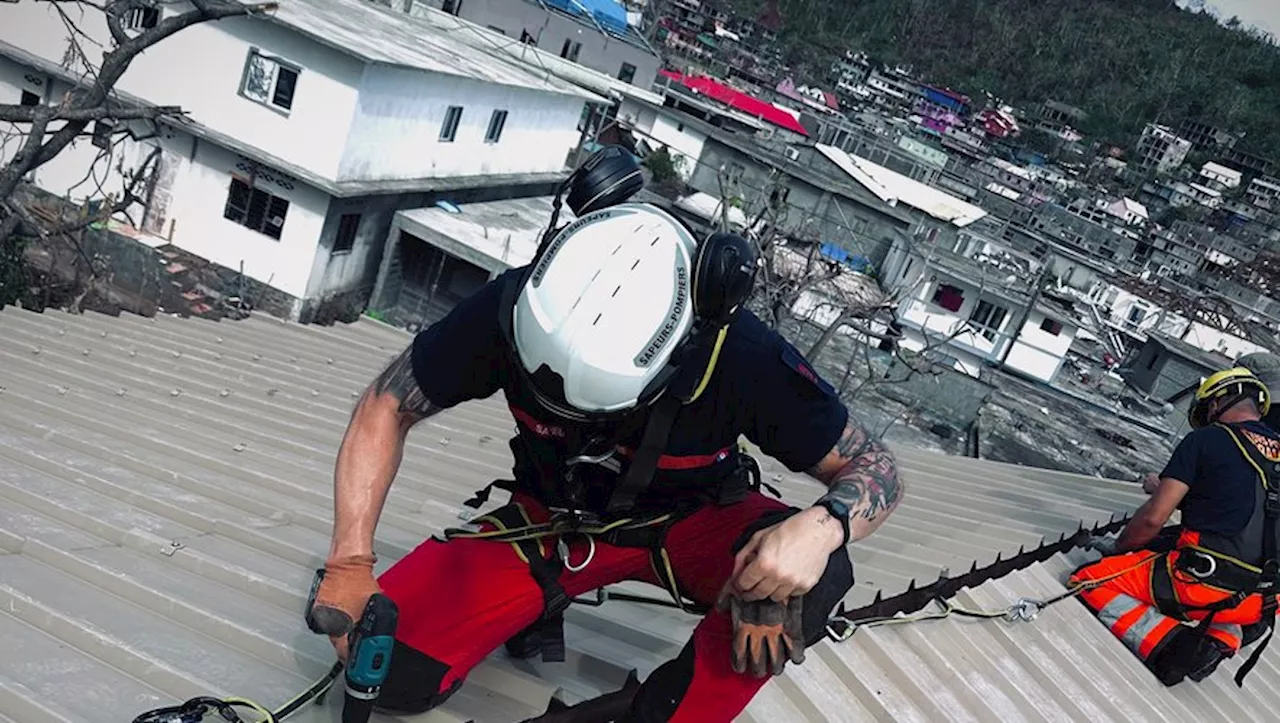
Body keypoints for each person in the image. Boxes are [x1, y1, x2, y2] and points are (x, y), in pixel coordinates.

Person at [304, 148, 904, 722]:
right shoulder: (514, 307)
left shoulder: (741, 352)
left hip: (696, 523)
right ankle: (536, 602)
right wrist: (349, 560)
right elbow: (387, 405)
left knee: (806, 582)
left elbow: (874, 467)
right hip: (554, 520)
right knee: (383, 672)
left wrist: (819, 530)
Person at [1073, 367, 1280, 687]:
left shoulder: (1206, 440)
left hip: (1204, 583)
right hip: (1262, 603)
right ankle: (1224, 638)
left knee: (1090, 579)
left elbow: (1153, 519)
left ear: (1216, 403)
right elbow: (1242, 506)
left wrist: (1120, 553)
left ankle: (1174, 648)